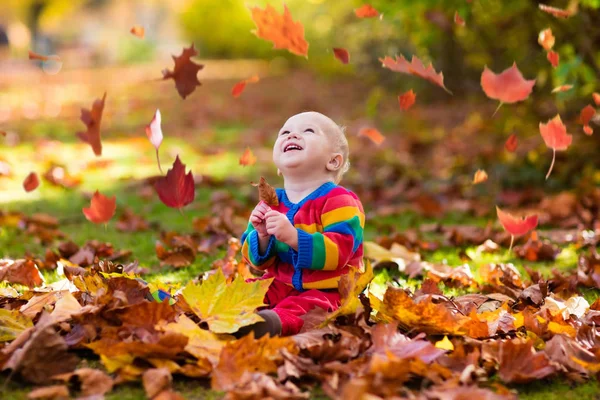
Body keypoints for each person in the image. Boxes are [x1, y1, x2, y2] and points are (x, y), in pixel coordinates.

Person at [238, 111, 365, 337]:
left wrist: (296, 239)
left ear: (333, 161)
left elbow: (340, 251)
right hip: (278, 283)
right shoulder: (272, 202)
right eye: (285, 132)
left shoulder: (339, 200)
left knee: (309, 309)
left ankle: (268, 324)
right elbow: (256, 262)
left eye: (308, 131)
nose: (292, 135)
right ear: (278, 165)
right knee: (244, 291)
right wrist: (262, 236)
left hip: (327, 289)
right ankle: (192, 310)